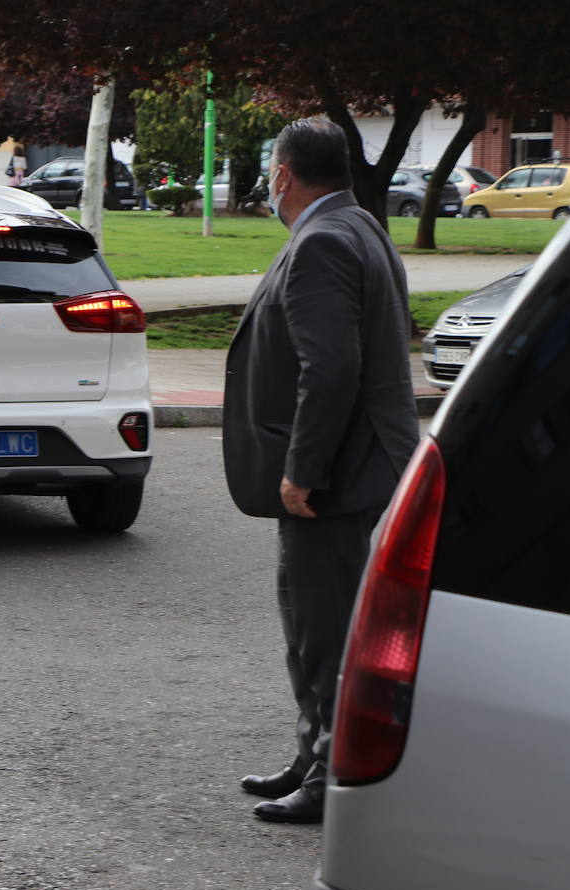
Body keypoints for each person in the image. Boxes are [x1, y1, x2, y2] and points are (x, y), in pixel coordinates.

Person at [221, 118, 420, 825]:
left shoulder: (324, 243)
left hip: (341, 477)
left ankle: (333, 775)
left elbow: (331, 368)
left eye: (271, 173)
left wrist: (302, 470)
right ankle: (314, 752)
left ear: (283, 175)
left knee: (326, 627)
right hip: (367, 464)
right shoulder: (361, 226)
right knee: (313, 620)